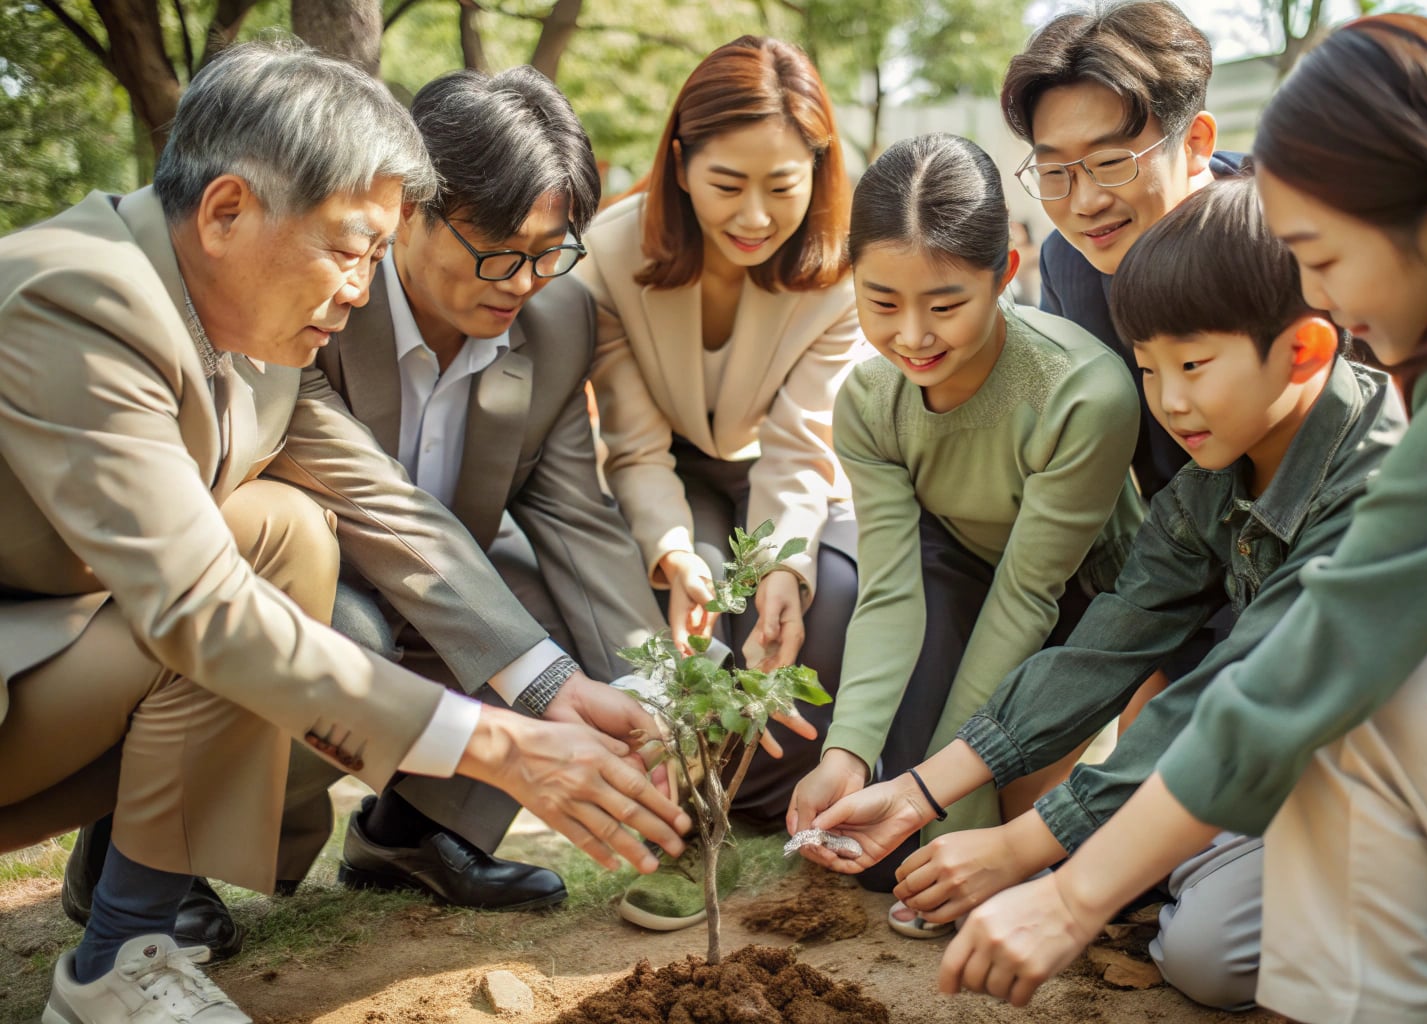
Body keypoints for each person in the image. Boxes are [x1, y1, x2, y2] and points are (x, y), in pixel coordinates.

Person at [850, 14, 1427, 1020]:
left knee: (1365, 680)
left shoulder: (1423, 400)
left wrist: (1062, 880)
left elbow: (1304, 658)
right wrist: (922, 790)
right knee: (1227, 892)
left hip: (1419, 705)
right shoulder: (1210, 435)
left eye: (1323, 255)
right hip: (1379, 713)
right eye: (1147, 369)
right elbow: (1127, 626)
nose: (1318, 292)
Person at [0, 42, 688, 1024]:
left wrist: (558, 692)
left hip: (60, 650)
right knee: (263, 593)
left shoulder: (244, 321)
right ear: (227, 211)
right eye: (350, 248)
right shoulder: (80, 295)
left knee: (283, 528)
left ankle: (125, 946)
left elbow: (385, 505)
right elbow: (199, 608)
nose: (364, 289)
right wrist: (502, 746)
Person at [802, 173, 1405, 1009]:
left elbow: (1232, 695)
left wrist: (1025, 848)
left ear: (1302, 350)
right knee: (1193, 929)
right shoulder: (1213, 474)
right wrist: (917, 793)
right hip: (1306, 766)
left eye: (1193, 366)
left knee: (1192, 933)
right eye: (1150, 370)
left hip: (1416, 768)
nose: (1171, 403)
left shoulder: (1378, 478)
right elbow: (1109, 640)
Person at [273, 65, 671, 912]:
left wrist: (656, 698)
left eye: (550, 252)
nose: (522, 282)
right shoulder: (320, 299)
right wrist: (543, 682)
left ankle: (415, 834)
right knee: (356, 629)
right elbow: (374, 501)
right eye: (499, 249)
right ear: (409, 209)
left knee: (544, 600)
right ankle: (157, 854)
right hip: (302, 583)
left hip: (438, 595)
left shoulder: (559, 323)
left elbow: (578, 518)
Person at [790, 134, 1144, 927]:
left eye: (946, 306)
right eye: (883, 303)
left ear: (1005, 273)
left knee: (955, 832)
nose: (914, 337)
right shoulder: (869, 403)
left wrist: (945, 798)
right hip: (957, 574)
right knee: (891, 864)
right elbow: (890, 589)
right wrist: (847, 751)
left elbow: (1029, 594)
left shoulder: (1081, 391)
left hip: (1082, 599)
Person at [576, 36, 863, 929]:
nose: (755, 216)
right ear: (679, 163)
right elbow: (633, 444)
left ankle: (755, 806)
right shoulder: (610, 253)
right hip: (671, 470)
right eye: (728, 184)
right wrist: (673, 554)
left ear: (818, 172)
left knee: (823, 600)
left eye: (783, 186)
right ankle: (694, 813)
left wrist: (782, 565)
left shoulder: (840, 271)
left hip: (791, 472)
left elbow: (801, 446)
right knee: (691, 625)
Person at [1002, 0, 1242, 500]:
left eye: (1111, 162)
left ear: (1195, 142)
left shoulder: (1292, 224)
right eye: (1053, 172)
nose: (1085, 203)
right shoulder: (1068, 262)